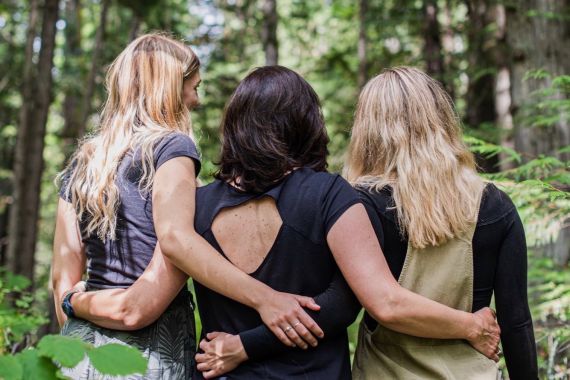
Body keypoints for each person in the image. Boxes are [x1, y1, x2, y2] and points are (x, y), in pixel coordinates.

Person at [189, 66, 500, 379]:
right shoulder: (329, 193)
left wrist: (243, 346)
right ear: (306, 122)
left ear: (233, 126)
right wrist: (470, 326)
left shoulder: (195, 205)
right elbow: (344, 304)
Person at [52, 34, 323, 380]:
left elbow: (63, 283)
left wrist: (77, 305)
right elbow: (147, 294)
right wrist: (265, 298)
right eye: (193, 87)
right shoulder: (172, 150)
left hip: (77, 355)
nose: (196, 100)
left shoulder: (82, 165)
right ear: (168, 90)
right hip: (146, 358)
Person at [344, 66, 538, 379]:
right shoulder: (494, 204)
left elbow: (338, 310)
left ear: (367, 129)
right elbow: (516, 322)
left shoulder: (358, 205)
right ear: (440, 120)